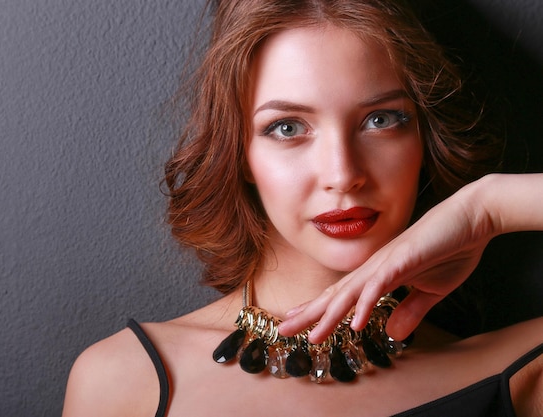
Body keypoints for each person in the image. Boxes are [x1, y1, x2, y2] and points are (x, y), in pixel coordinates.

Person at [61, 1, 543, 416]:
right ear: (240, 153)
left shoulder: (520, 372)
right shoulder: (126, 381)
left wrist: (491, 206)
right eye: (288, 127)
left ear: (423, 138)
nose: (342, 173)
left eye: (381, 119)